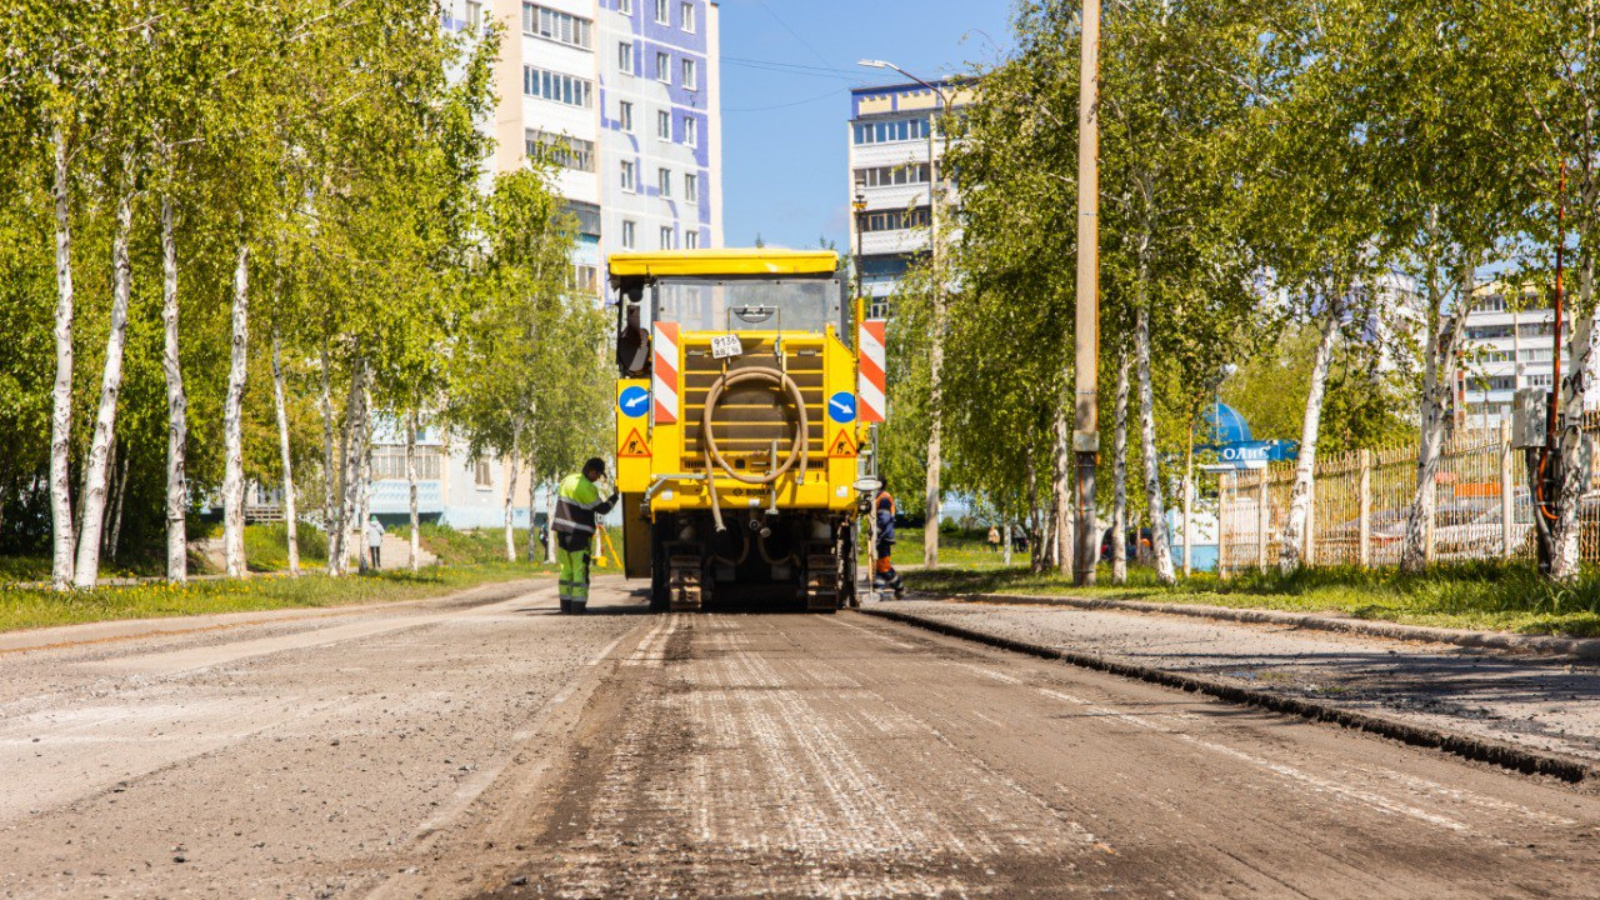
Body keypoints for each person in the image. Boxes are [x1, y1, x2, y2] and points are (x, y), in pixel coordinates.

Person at [553, 457, 620, 614]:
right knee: (579, 570)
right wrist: (615, 496)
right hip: (578, 534)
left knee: (565, 569)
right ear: (591, 471)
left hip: (561, 532)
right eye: (598, 475)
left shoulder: (568, 480)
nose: (597, 479)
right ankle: (578, 607)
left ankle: (565, 606)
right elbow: (602, 509)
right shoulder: (587, 488)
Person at [873, 480, 904, 599]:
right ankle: (878, 592)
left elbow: (884, 519)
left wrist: (876, 532)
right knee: (881, 566)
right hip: (884, 536)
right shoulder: (882, 497)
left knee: (884, 567)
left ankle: (900, 589)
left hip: (884, 537)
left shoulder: (884, 498)